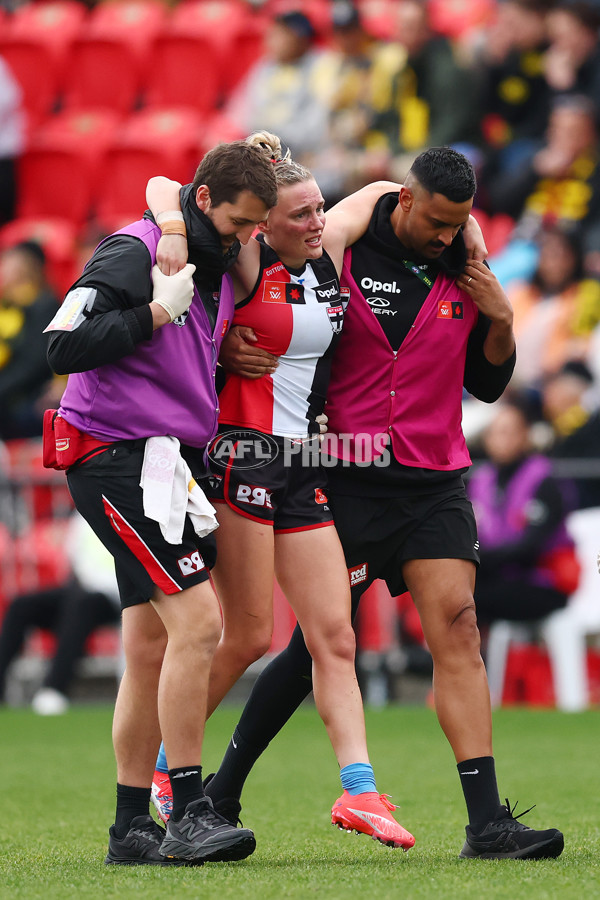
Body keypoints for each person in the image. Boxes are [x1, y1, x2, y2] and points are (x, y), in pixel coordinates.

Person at [146, 146, 564, 859]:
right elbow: (296, 245)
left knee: (457, 625)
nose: (444, 236)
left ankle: (487, 823)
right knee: (315, 642)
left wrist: (499, 322)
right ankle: (211, 788)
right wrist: (226, 351)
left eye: (456, 224)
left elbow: (488, 388)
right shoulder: (339, 246)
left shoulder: (464, 262)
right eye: (434, 220)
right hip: (345, 472)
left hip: (434, 478)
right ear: (403, 201)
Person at [146, 133, 419, 851]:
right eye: (301, 214)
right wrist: (179, 226)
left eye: (320, 209)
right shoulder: (247, 259)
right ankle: (168, 771)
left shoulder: (326, 251)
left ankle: (360, 792)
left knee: (335, 634)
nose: (318, 222)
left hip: (304, 463)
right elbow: (165, 186)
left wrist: (469, 232)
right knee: (245, 636)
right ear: (262, 223)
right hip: (241, 458)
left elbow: (391, 192)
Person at [44, 139, 278, 866]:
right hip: (112, 455)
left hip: (156, 461)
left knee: (149, 649)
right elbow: (62, 345)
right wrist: (151, 313)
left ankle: (130, 830)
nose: (244, 243)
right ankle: (186, 810)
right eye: (237, 224)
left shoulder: (207, 251)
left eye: (252, 230)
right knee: (200, 625)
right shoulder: (135, 251)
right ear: (203, 203)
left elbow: (177, 188)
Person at [468, 396, 579, 628]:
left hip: (542, 581)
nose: (502, 440)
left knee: (468, 602)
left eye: (510, 431)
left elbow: (531, 547)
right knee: (449, 594)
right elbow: (471, 537)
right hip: (497, 576)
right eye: (497, 432)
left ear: (525, 435)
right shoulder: (481, 481)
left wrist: (480, 560)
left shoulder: (544, 479)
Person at [0, 512, 121, 715]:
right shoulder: (83, 515)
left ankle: (53, 688)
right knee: (21, 605)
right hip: (82, 590)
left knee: (79, 605)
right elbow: (74, 560)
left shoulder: (130, 510)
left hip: (116, 596)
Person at [0, 240, 58, 440]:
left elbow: (35, 362)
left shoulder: (44, 305)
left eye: (7, 264)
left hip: (30, 394)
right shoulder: (6, 306)